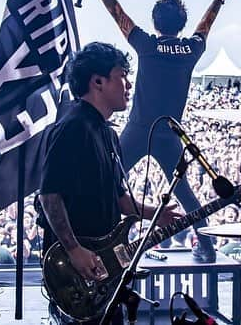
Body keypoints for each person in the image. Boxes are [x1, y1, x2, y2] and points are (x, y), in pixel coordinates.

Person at [82, 0, 229, 262]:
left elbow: (117, 14)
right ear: (181, 24)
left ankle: (99, 243)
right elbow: (206, 26)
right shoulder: (191, 49)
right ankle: (207, 247)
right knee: (186, 194)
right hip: (169, 133)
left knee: (106, 179)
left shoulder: (147, 45)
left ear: (155, 22)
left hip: (138, 130)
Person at [37, 42, 182, 324]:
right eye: (122, 76)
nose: (128, 84)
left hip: (105, 264)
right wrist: (74, 249)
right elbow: (49, 195)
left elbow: (121, 200)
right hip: (77, 268)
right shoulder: (73, 127)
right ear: (98, 82)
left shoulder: (107, 134)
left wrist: (156, 214)